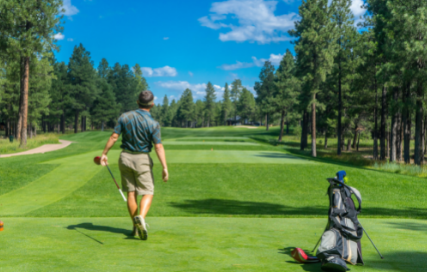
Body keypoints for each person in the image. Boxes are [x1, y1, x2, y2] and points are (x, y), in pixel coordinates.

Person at [100, 90, 168, 240]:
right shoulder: (154, 123)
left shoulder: (124, 117)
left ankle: (136, 227)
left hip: (125, 157)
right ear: (152, 104)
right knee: (148, 192)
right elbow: (158, 146)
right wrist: (164, 167)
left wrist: (105, 153)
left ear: (137, 102)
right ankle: (141, 219)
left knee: (131, 193)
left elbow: (114, 136)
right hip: (142, 159)